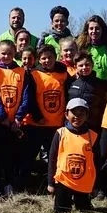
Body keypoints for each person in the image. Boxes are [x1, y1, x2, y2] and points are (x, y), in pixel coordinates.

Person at [21, 44, 70, 184]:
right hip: (37, 123)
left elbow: (67, 95)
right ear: (38, 60)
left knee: (53, 155)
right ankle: (23, 181)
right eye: (43, 58)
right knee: (29, 154)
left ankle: (54, 182)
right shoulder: (34, 74)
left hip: (56, 123)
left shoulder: (63, 74)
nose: (47, 60)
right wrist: (37, 116)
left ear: (56, 58)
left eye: (50, 57)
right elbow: (29, 98)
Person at [0, 40, 28, 197]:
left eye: (9, 53)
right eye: (3, 53)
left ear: (15, 53)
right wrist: (2, 116)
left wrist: (18, 117)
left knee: (12, 153)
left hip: (15, 122)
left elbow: (26, 95)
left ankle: (9, 182)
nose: (6, 56)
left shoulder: (22, 72)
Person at [47, 98, 100, 213]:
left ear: (87, 116)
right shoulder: (60, 133)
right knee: (61, 212)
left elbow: (97, 162)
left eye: (81, 113)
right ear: (66, 114)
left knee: (84, 212)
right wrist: (50, 183)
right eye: (74, 113)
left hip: (84, 183)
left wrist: (95, 186)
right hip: (63, 181)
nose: (77, 117)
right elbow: (52, 159)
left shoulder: (93, 136)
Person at [66, 51, 107, 133]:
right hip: (73, 125)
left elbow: (104, 105)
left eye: (87, 65)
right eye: (81, 65)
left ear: (92, 65)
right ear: (75, 67)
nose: (84, 68)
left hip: (93, 125)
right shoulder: (70, 82)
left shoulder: (100, 84)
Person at [75, 15, 107, 80]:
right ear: (87, 30)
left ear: (102, 30)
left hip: (106, 85)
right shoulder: (81, 46)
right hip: (87, 84)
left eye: (97, 28)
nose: (94, 31)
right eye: (91, 28)